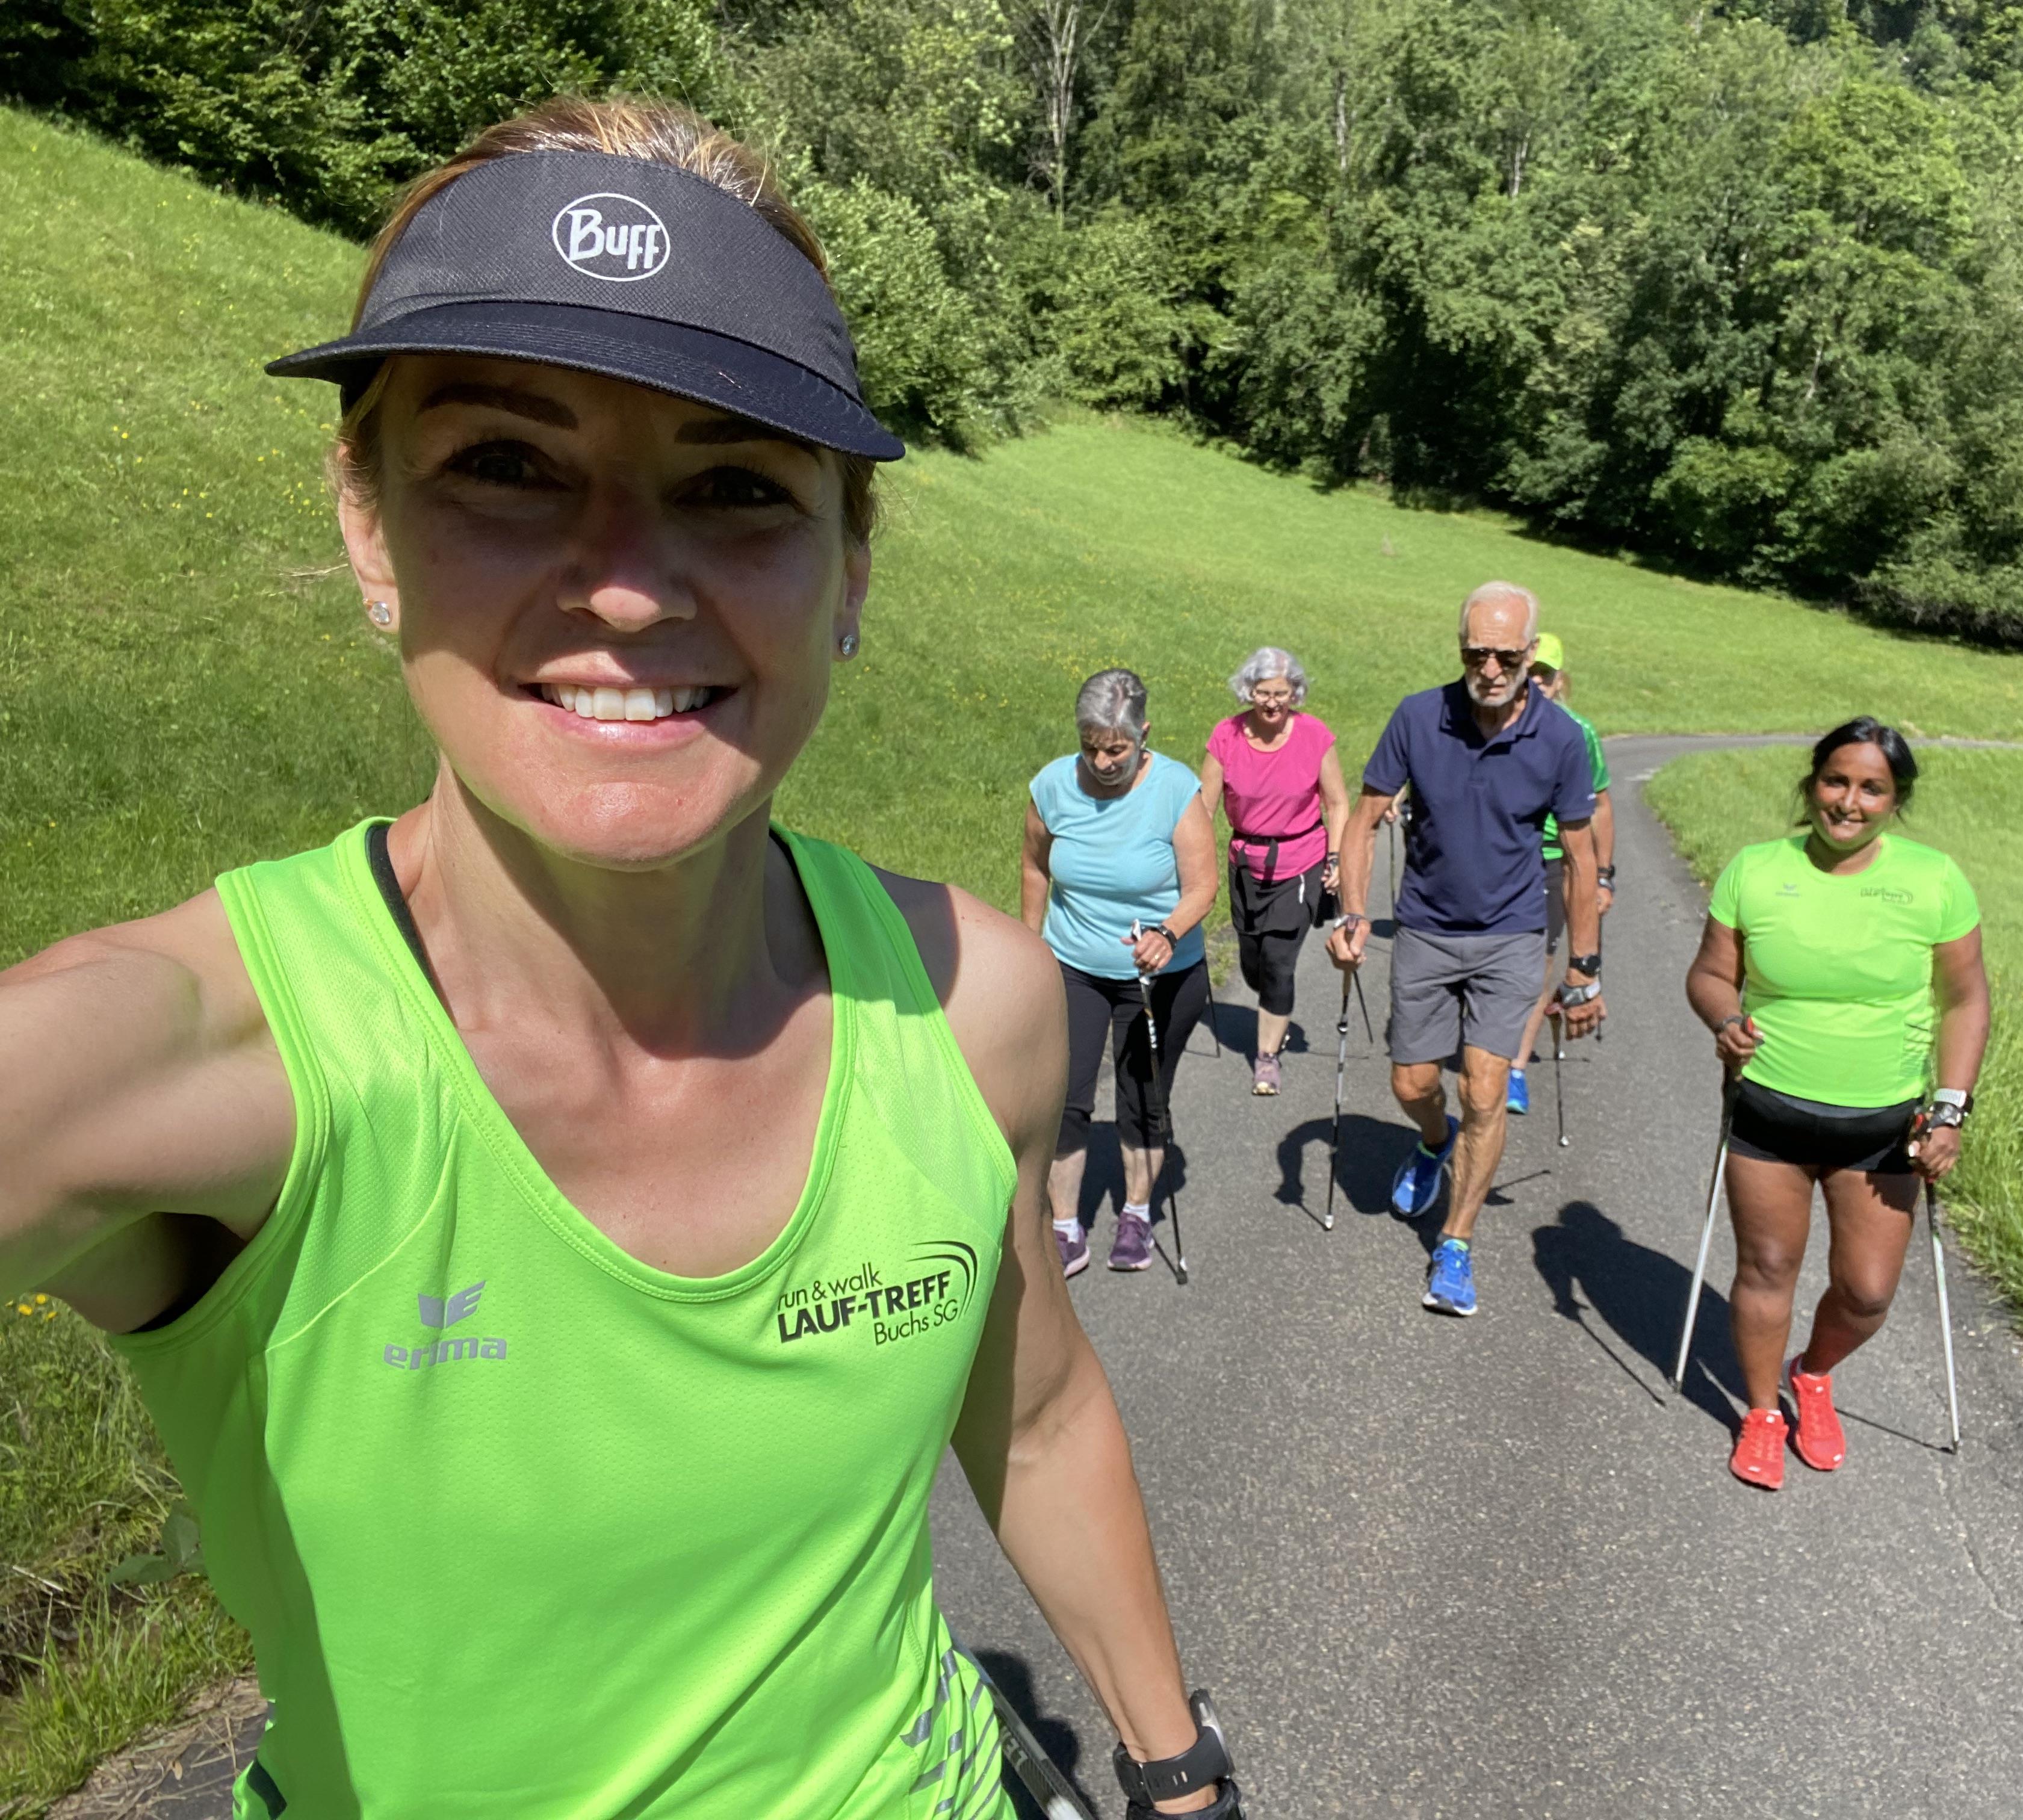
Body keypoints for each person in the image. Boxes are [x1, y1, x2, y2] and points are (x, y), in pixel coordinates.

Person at [0, 101, 1241, 1819]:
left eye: (735, 488)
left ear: (852, 571)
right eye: (504, 467)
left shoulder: (974, 1005)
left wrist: (1180, 1769)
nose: (631, 588)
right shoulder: (185, 1065)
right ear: (367, 524)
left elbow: (1030, 1420)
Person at [1682, 717, 1990, 1492]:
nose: (1848, 802)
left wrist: (1950, 1109)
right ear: (1812, 783)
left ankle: (1812, 1374)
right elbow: (1710, 975)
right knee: (1768, 1268)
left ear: (1895, 800)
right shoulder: (1756, 870)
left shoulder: (1935, 880)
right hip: (1770, 1113)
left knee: (1867, 1290)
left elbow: (1965, 1001)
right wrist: (1726, 1021)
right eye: (1835, 781)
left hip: (1884, 1126)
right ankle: (1760, 1412)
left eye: (1871, 788)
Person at [1328, 582, 1606, 1316]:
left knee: (1484, 1087)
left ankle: (1455, 1244)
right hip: (1424, 927)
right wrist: (1352, 912)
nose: (1489, 668)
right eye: (1474, 652)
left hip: (1511, 935)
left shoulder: (1561, 739)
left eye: (1505, 655)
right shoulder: (1420, 717)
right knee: (1412, 1085)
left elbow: (1579, 858)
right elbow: (1362, 822)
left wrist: (1584, 964)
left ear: (1530, 652)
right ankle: (1430, 1142)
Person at [1023, 669, 1218, 1279]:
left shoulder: (1174, 789)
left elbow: (1204, 886)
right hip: (1074, 964)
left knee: (1142, 1100)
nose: (1103, 760)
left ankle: (1136, 1212)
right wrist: (1031, 947)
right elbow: (1035, 869)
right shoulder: (1054, 785)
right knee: (1066, 1098)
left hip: (1160, 973)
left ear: (1143, 736)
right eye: (1091, 746)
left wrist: (1167, 933)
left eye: (1117, 749)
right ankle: (1064, 1226)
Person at [1198, 646, 1349, 1094]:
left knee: (1280, 962)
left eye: (1281, 694)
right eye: (1263, 693)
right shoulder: (1226, 736)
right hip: (1246, 860)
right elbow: (1204, 807)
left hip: (1301, 860)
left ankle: (1266, 1059)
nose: (1271, 703)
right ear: (1249, 691)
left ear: (1294, 693)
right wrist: (1193, 863)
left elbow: (1338, 802)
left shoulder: (1313, 736)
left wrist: (1336, 859)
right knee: (1253, 962)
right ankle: (1268, 1000)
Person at [1508, 634, 1614, 1116]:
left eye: (1545, 675)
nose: (1536, 683)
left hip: (1555, 859)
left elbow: (1602, 807)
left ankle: (1515, 1067)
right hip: (1506, 856)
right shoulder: (1497, 726)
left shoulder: (1578, 732)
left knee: (1538, 963)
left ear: (1558, 680)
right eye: (1530, 672)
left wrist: (1604, 876)